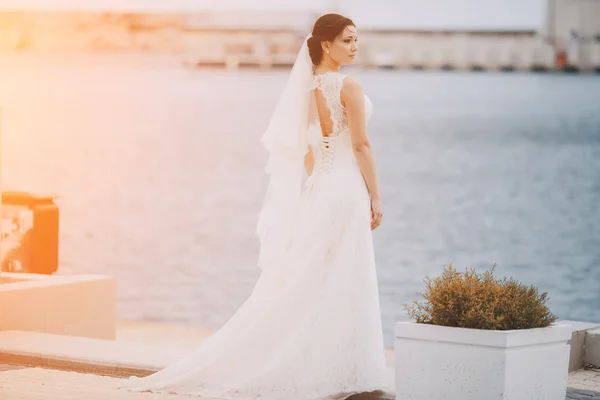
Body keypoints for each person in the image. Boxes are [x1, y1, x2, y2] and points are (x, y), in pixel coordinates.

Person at [118, 13, 387, 400]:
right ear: (326, 45)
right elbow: (361, 146)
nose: (354, 46)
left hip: (323, 188)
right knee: (345, 277)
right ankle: (346, 371)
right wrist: (375, 196)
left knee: (316, 279)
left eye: (356, 39)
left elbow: (308, 150)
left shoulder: (309, 87)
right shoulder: (349, 86)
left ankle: (327, 366)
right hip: (345, 192)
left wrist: (321, 180)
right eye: (347, 40)